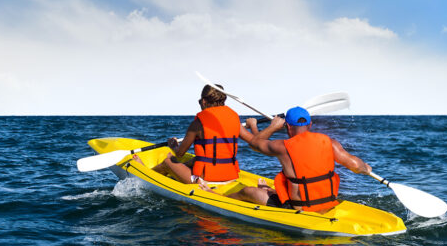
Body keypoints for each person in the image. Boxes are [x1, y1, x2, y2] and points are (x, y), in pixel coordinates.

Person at [238, 106, 371, 212]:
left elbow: (254, 144)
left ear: (288, 126)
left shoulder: (282, 147)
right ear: (310, 124)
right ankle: (271, 192)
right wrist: (365, 167)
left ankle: (220, 199)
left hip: (300, 207)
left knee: (247, 191)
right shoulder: (330, 142)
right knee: (276, 187)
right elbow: (357, 166)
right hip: (327, 203)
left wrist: (268, 126)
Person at [133, 83, 257, 186]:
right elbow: (254, 141)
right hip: (230, 177)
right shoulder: (234, 118)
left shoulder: (198, 123)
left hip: (205, 180)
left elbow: (180, 153)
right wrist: (253, 125)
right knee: (195, 159)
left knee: (167, 162)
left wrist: (173, 145)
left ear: (203, 101)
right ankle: (177, 169)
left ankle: (146, 174)